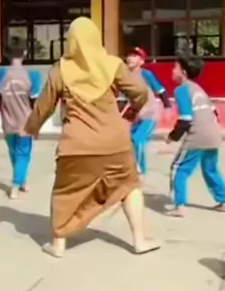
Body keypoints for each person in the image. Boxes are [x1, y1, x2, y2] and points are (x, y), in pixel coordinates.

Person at [24, 17, 160, 258]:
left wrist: (31, 128)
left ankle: (58, 244)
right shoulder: (113, 64)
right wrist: (133, 111)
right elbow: (139, 91)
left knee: (65, 192)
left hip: (76, 146)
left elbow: (44, 106)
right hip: (115, 143)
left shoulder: (60, 69)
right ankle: (140, 241)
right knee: (129, 186)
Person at [168, 56, 225, 217]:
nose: (172, 71)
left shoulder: (181, 90)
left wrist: (172, 137)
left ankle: (180, 206)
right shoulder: (198, 89)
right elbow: (214, 112)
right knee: (210, 168)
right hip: (213, 134)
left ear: (183, 73)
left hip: (197, 136)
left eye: (175, 67)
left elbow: (186, 118)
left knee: (179, 169)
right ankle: (223, 200)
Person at [0, 46, 41, 199]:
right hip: (25, 122)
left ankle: (22, 181)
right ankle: (16, 185)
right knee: (23, 154)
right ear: (25, 54)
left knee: (13, 152)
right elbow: (35, 103)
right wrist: (36, 124)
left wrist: (4, 116)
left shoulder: (1, 74)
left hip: (8, 121)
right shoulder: (32, 75)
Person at [125, 47, 171, 175]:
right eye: (129, 55)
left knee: (137, 139)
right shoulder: (124, 76)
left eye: (135, 56)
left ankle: (138, 168)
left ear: (142, 61)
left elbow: (161, 90)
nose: (130, 58)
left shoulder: (146, 74)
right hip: (136, 117)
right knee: (128, 141)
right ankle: (137, 167)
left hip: (150, 115)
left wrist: (167, 107)